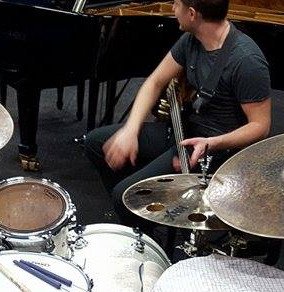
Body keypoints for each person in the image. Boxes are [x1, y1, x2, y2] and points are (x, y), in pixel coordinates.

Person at [83, 0, 271, 225]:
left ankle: (141, 216)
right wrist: (130, 131)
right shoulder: (192, 39)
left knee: (123, 197)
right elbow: (155, 82)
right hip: (184, 133)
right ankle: (147, 214)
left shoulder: (247, 61)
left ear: (191, 13)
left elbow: (260, 126)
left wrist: (211, 143)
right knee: (95, 143)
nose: (172, 9)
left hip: (216, 150)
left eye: (176, 4)